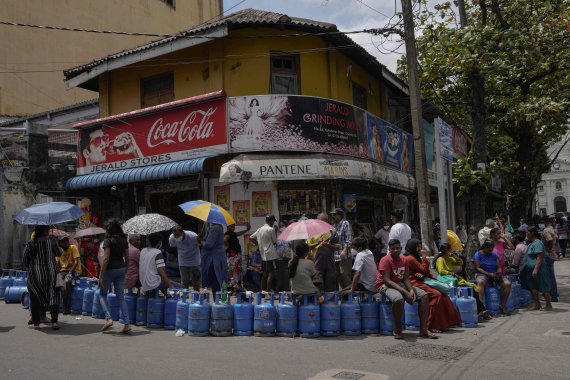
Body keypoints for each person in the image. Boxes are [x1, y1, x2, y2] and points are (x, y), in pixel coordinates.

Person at [376, 239, 438, 340]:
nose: (395, 250)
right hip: (385, 285)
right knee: (398, 299)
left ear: (401, 248)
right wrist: (405, 292)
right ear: (389, 250)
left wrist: (411, 290)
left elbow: (405, 278)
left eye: (397, 248)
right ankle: (397, 328)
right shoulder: (385, 260)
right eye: (393, 249)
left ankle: (424, 330)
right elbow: (387, 280)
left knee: (424, 296)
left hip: (401, 284)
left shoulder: (404, 259)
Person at [404, 239, 462, 332]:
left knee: (442, 294)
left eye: (420, 246)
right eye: (418, 246)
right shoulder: (410, 258)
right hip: (414, 283)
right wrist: (424, 257)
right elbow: (423, 269)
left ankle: (445, 322)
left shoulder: (415, 257)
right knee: (436, 294)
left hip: (422, 280)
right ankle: (430, 325)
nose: (420, 248)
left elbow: (425, 271)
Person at [22, 225, 63, 330]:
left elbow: (25, 261)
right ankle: (54, 322)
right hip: (51, 274)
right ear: (45, 230)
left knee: (35, 299)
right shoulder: (51, 241)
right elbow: (59, 253)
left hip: (35, 275)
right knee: (54, 297)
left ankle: (36, 324)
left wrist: (32, 267)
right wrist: (55, 241)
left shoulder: (31, 243)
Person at [98, 219, 131, 334]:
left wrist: (101, 276)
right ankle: (127, 324)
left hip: (109, 270)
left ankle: (108, 319)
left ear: (109, 229)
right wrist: (124, 271)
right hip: (121, 269)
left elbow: (105, 259)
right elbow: (128, 258)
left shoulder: (108, 241)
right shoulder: (123, 240)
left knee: (102, 294)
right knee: (121, 297)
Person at [474, 240, 511, 315]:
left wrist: (499, 273)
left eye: (492, 249)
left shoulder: (494, 254)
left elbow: (499, 266)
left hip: (494, 274)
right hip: (483, 273)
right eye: (489, 249)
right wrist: (489, 274)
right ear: (484, 247)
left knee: (507, 284)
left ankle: (502, 306)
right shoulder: (478, 254)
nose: (490, 251)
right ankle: (481, 309)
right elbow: (478, 268)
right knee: (480, 282)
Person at [520, 226, 552, 310]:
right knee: (532, 287)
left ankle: (548, 304)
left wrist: (536, 269)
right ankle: (537, 304)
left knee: (543, 286)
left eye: (527, 232)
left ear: (532, 233)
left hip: (539, 269)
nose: (526, 234)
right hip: (529, 269)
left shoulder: (538, 243)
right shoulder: (530, 243)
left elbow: (539, 257)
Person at [250, 215, 278, 292]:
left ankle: (263, 291)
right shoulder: (271, 229)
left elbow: (251, 238)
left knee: (265, 273)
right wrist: (275, 231)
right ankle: (268, 291)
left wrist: (258, 244)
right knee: (271, 272)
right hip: (270, 254)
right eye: (273, 221)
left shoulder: (260, 229)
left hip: (263, 254)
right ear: (271, 221)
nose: (273, 223)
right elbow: (275, 242)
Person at [169, 225, 201, 291]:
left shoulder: (193, 236)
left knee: (196, 283)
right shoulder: (172, 238)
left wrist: (200, 240)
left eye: (178, 235)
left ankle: (197, 296)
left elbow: (200, 244)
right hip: (183, 261)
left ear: (182, 232)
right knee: (184, 283)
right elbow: (172, 245)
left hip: (194, 261)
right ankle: (184, 298)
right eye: (175, 235)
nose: (176, 237)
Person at [56, 235, 82, 315]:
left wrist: (70, 273)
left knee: (67, 283)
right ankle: (57, 306)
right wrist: (58, 273)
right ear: (59, 243)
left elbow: (76, 262)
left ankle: (66, 307)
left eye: (66, 241)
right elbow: (57, 264)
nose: (65, 242)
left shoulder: (73, 247)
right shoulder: (58, 251)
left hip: (74, 271)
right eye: (63, 241)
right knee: (58, 284)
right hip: (63, 271)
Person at [201, 223, 228, 295]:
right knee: (219, 280)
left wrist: (200, 241)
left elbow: (208, 245)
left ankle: (217, 302)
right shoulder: (219, 227)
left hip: (213, 259)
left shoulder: (215, 229)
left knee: (215, 280)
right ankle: (220, 301)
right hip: (219, 258)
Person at [541, 218, 559, 302]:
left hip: (548, 254)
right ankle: (553, 293)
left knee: (549, 276)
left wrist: (549, 249)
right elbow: (555, 239)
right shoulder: (552, 229)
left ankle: (553, 295)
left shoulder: (546, 230)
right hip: (552, 254)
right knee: (551, 275)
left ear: (545, 222)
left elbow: (550, 240)